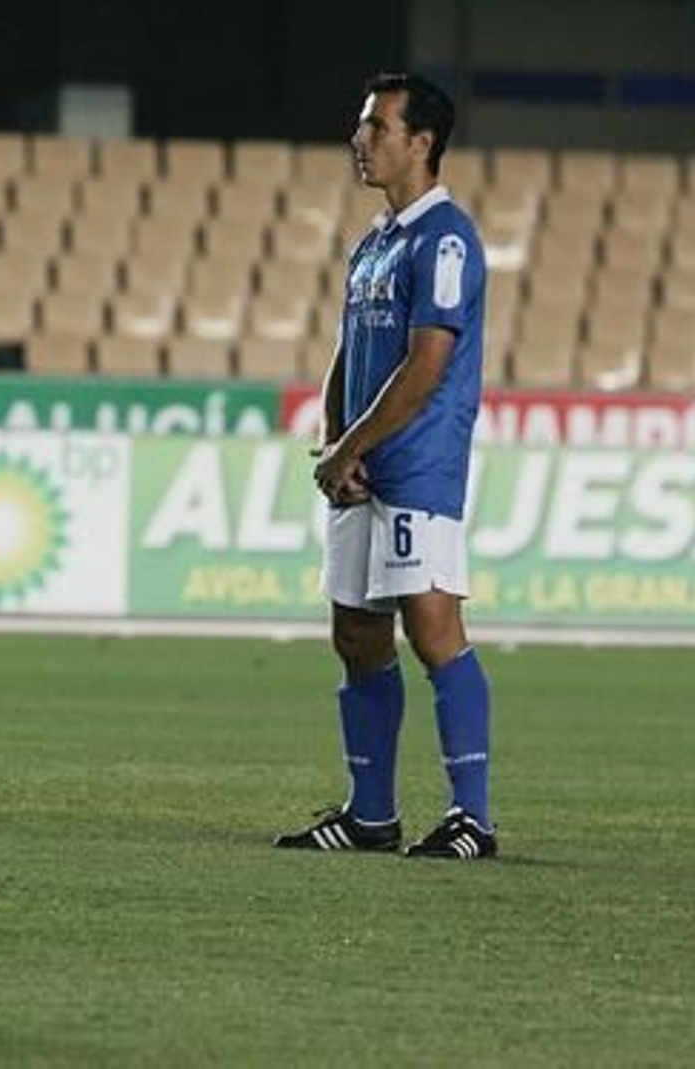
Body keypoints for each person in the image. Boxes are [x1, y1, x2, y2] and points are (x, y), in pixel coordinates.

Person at [274, 73, 496, 860]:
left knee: (433, 631)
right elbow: (347, 350)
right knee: (357, 634)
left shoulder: (445, 239)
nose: (359, 139)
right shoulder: (376, 241)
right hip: (359, 467)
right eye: (361, 125)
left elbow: (427, 363)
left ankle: (473, 818)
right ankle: (371, 815)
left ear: (421, 143)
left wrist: (355, 447)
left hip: (416, 465)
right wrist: (335, 441)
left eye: (376, 127)